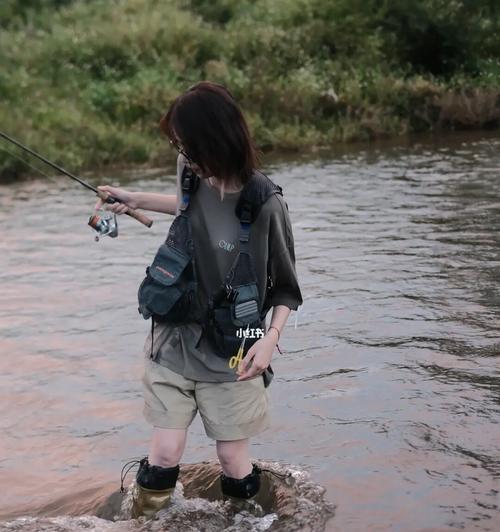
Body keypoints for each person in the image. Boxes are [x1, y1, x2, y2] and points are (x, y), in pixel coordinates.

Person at [97, 81, 303, 519]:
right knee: (164, 456)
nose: (184, 155)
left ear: (217, 141)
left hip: (235, 352)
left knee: (233, 462)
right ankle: (144, 524)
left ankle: (256, 522)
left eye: (189, 146)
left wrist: (270, 339)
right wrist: (135, 199)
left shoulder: (267, 204)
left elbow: (286, 288)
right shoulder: (189, 169)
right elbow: (191, 207)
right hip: (174, 337)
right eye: (179, 145)